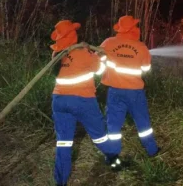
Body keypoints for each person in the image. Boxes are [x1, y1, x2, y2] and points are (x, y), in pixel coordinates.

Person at [50, 20, 117, 186]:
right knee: (99, 136)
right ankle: (113, 158)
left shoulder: (57, 55)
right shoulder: (84, 53)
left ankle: (61, 181)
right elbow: (100, 70)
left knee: (63, 142)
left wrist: (86, 50)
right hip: (82, 100)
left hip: (59, 101)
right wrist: (98, 55)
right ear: (73, 34)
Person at [100, 15, 160, 169]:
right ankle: (152, 150)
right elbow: (146, 69)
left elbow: (97, 61)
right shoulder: (141, 47)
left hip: (114, 91)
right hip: (135, 92)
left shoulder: (108, 43)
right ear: (133, 29)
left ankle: (112, 157)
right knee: (143, 122)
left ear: (119, 28)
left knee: (113, 125)